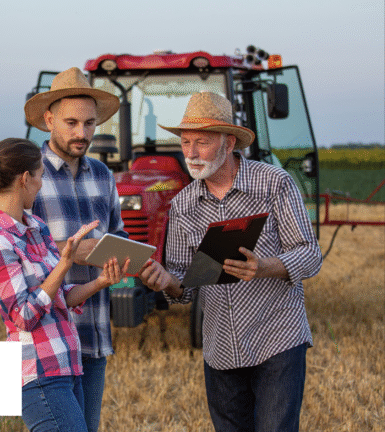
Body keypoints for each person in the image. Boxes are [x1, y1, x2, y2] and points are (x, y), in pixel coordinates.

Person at [138, 92, 322, 432]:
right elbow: (185, 287)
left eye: (202, 143)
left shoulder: (274, 183)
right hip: (221, 349)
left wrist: (264, 267)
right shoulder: (182, 206)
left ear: (230, 142)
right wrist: (166, 281)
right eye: (186, 142)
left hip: (277, 339)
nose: (191, 153)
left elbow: (310, 253)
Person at [0, 138, 129, 432]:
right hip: (37, 374)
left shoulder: (36, 227)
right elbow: (24, 316)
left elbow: (61, 296)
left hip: (67, 364)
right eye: (40, 176)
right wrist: (65, 263)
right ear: (25, 179)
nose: (42, 183)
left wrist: (102, 281)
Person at [24, 67, 126, 432]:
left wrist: (127, 261)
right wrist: (76, 252)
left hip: (93, 332)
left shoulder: (103, 175)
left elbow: (119, 238)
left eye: (89, 123)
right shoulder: (28, 176)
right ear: (48, 120)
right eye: (70, 122)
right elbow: (18, 252)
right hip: (47, 340)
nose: (81, 133)